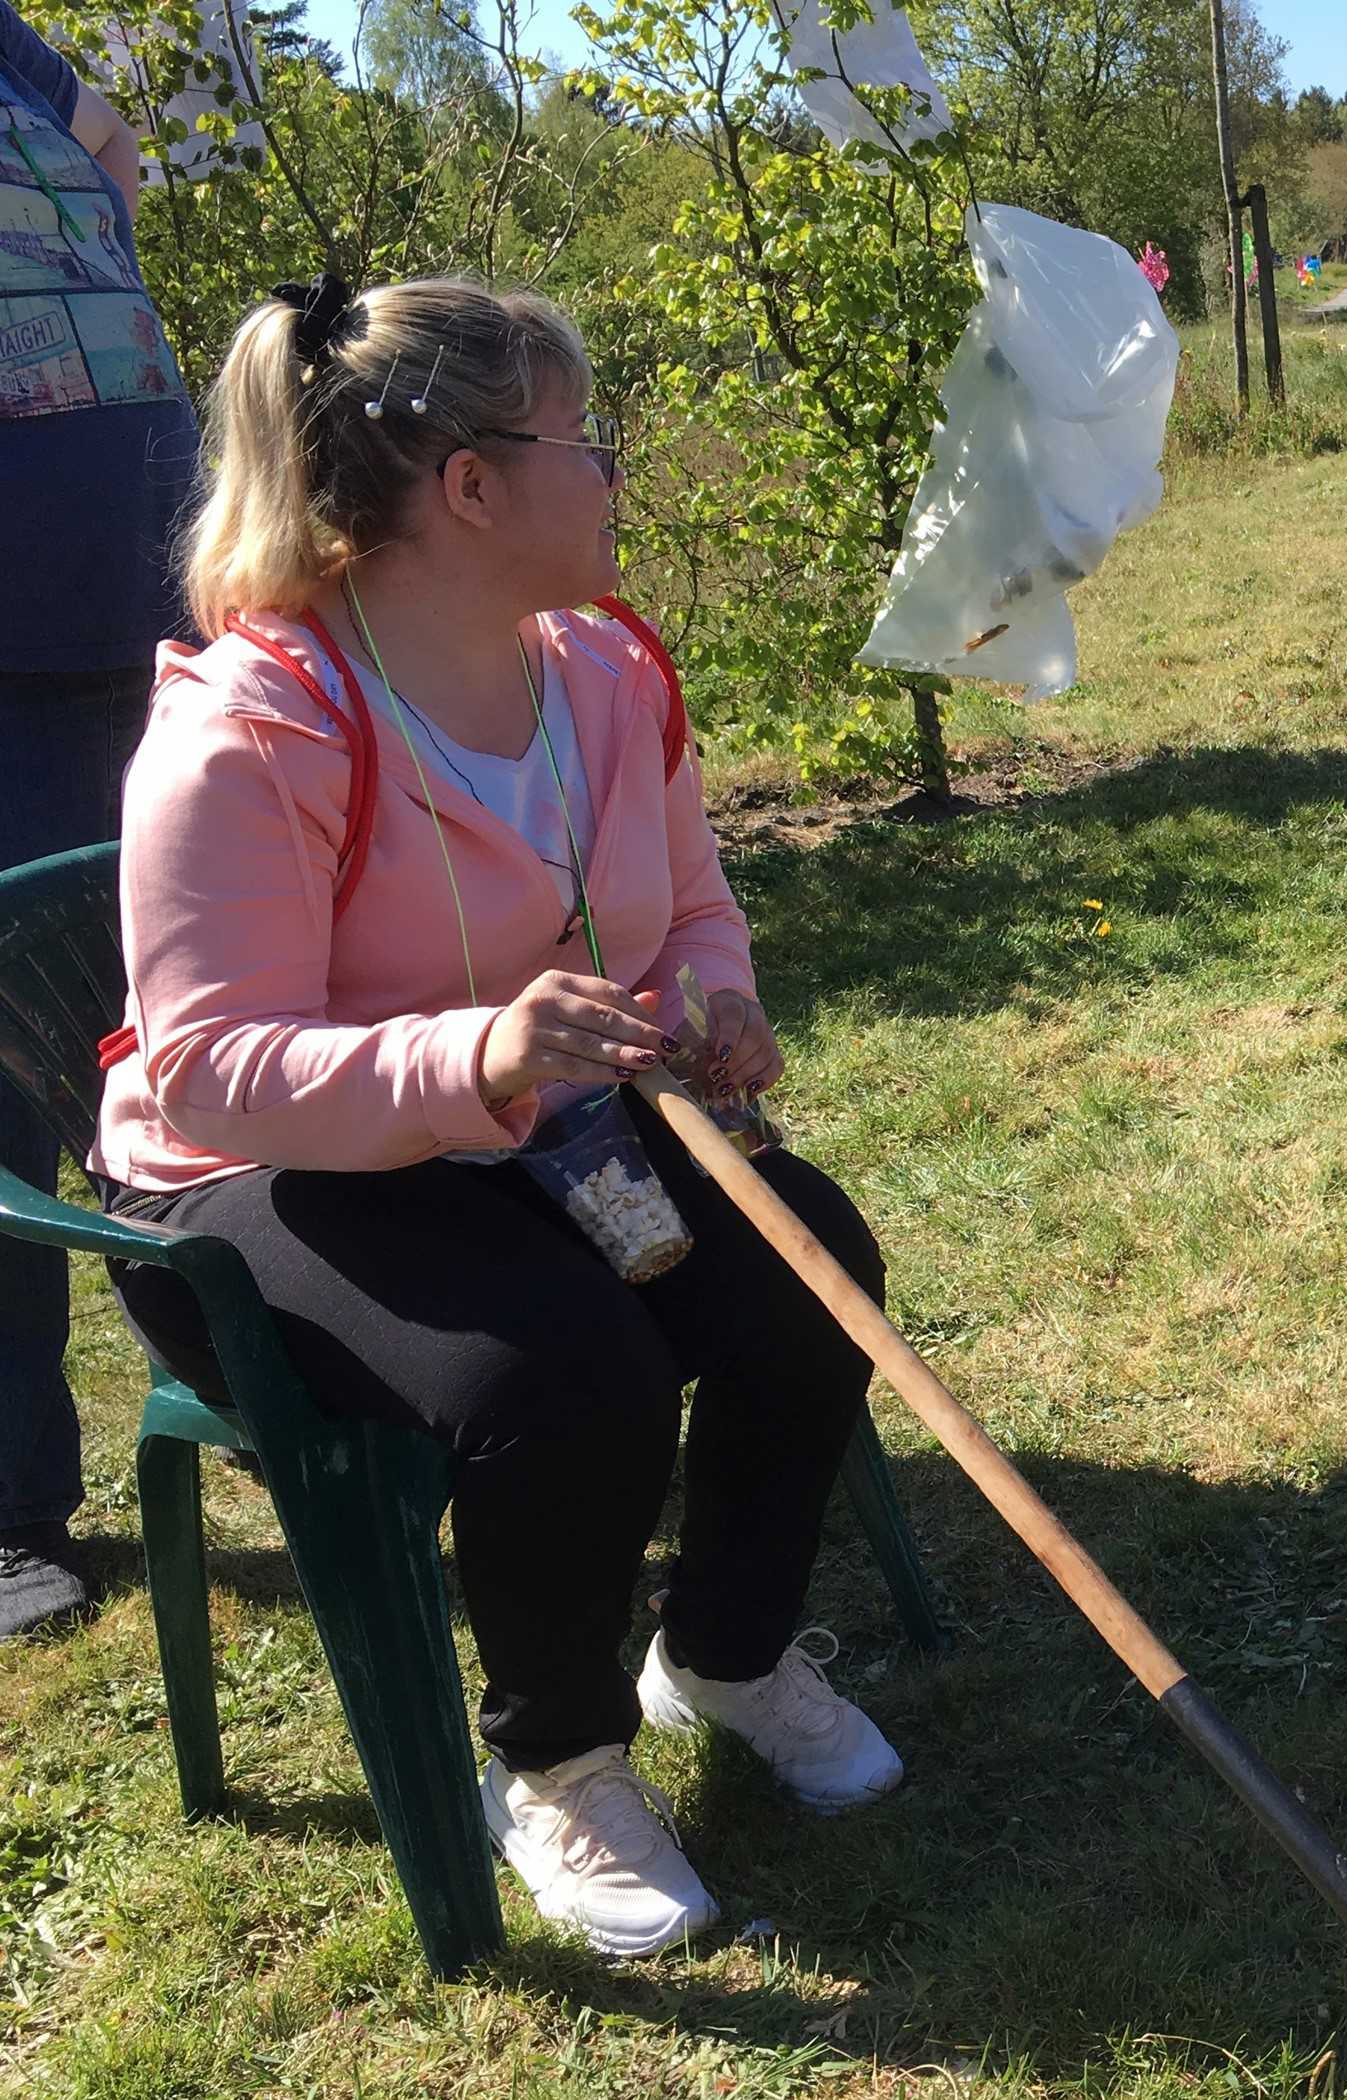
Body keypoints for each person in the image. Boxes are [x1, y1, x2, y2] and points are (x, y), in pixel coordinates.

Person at [92, 275, 906, 1956]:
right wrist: (478, 1060)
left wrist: (707, 1004)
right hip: (252, 1186)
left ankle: (727, 1654)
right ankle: (556, 1764)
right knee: (559, 1368)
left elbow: (686, 905)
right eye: (581, 441)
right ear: (469, 484)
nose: (612, 474)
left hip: (521, 1125)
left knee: (808, 1255)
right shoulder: (250, 733)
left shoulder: (602, 674)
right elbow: (214, 1068)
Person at [0, 2, 200, 1641]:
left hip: (140, 613)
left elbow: (113, 145)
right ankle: (7, 1503)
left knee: (190, 1033)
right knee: (5, 1071)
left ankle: (287, 1366)